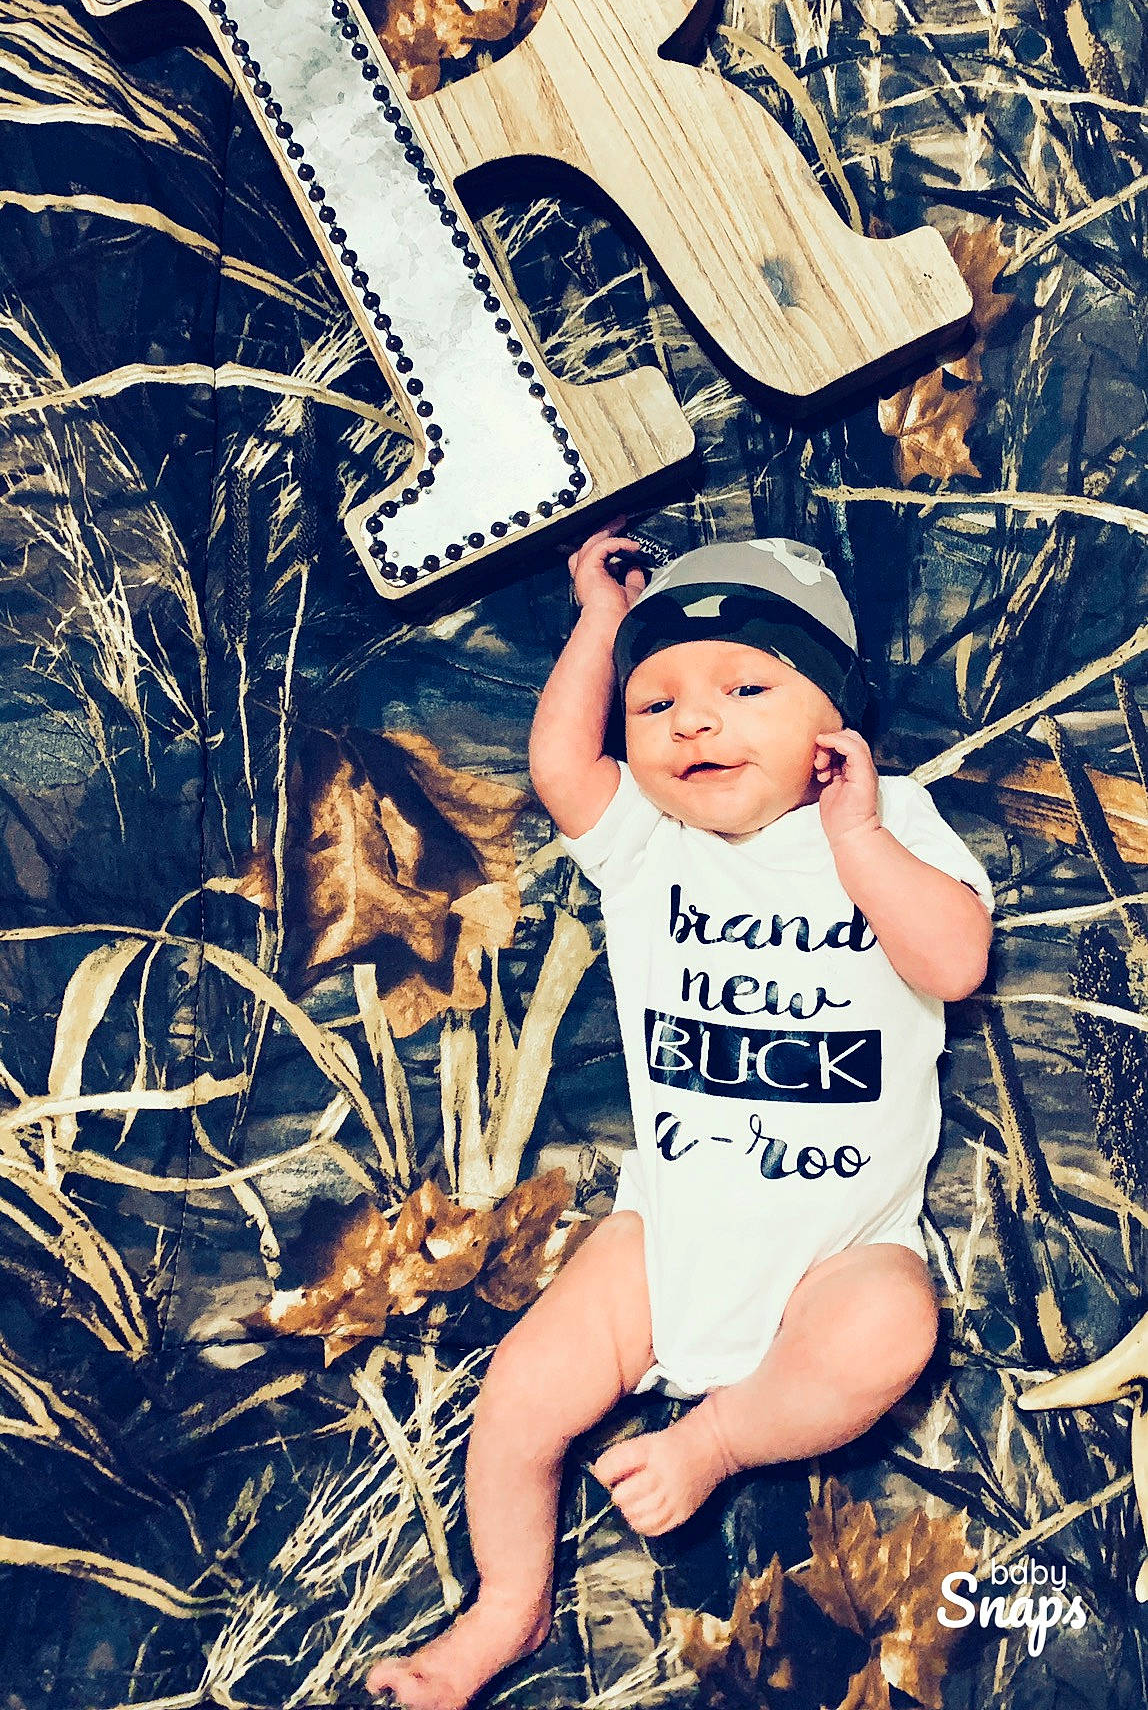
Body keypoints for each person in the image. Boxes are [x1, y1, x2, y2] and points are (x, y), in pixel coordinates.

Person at [366, 529, 993, 1710]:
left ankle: (715, 1440)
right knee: (518, 1397)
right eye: (655, 703)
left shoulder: (890, 823)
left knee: (890, 1327)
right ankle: (505, 1607)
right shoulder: (648, 844)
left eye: (744, 687)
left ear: (835, 722)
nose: (693, 723)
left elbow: (954, 959)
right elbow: (560, 763)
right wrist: (601, 625)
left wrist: (855, 838)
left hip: (840, 1245)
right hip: (663, 1238)